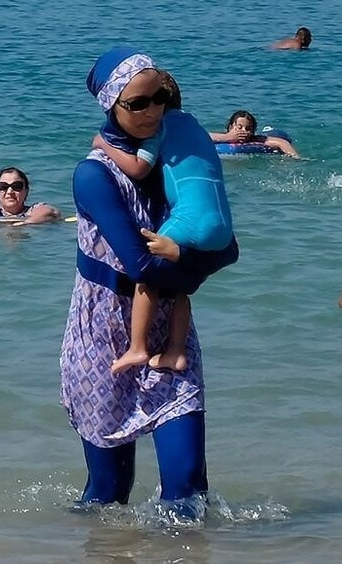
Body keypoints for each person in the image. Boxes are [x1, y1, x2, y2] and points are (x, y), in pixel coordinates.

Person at [60, 47, 239, 514]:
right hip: (104, 337)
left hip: (170, 332)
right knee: (109, 494)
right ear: (111, 105)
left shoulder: (172, 160)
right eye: (137, 104)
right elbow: (139, 265)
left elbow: (228, 247)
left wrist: (189, 267)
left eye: (159, 98)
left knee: (188, 486)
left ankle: (189, 546)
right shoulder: (93, 176)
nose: (153, 111)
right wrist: (192, 271)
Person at [92, 70, 234, 374]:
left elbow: (139, 168)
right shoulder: (195, 125)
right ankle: (177, 351)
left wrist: (104, 145)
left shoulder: (160, 127)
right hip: (222, 225)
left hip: (189, 219)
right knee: (179, 288)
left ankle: (137, 348)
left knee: (149, 277)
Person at [209, 110, 300, 158]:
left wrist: (295, 157)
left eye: (248, 129)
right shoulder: (222, 137)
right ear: (230, 127)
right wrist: (228, 137)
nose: (244, 131)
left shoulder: (255, 139)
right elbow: (203, 137)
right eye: (239, 127)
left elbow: (281, 142)